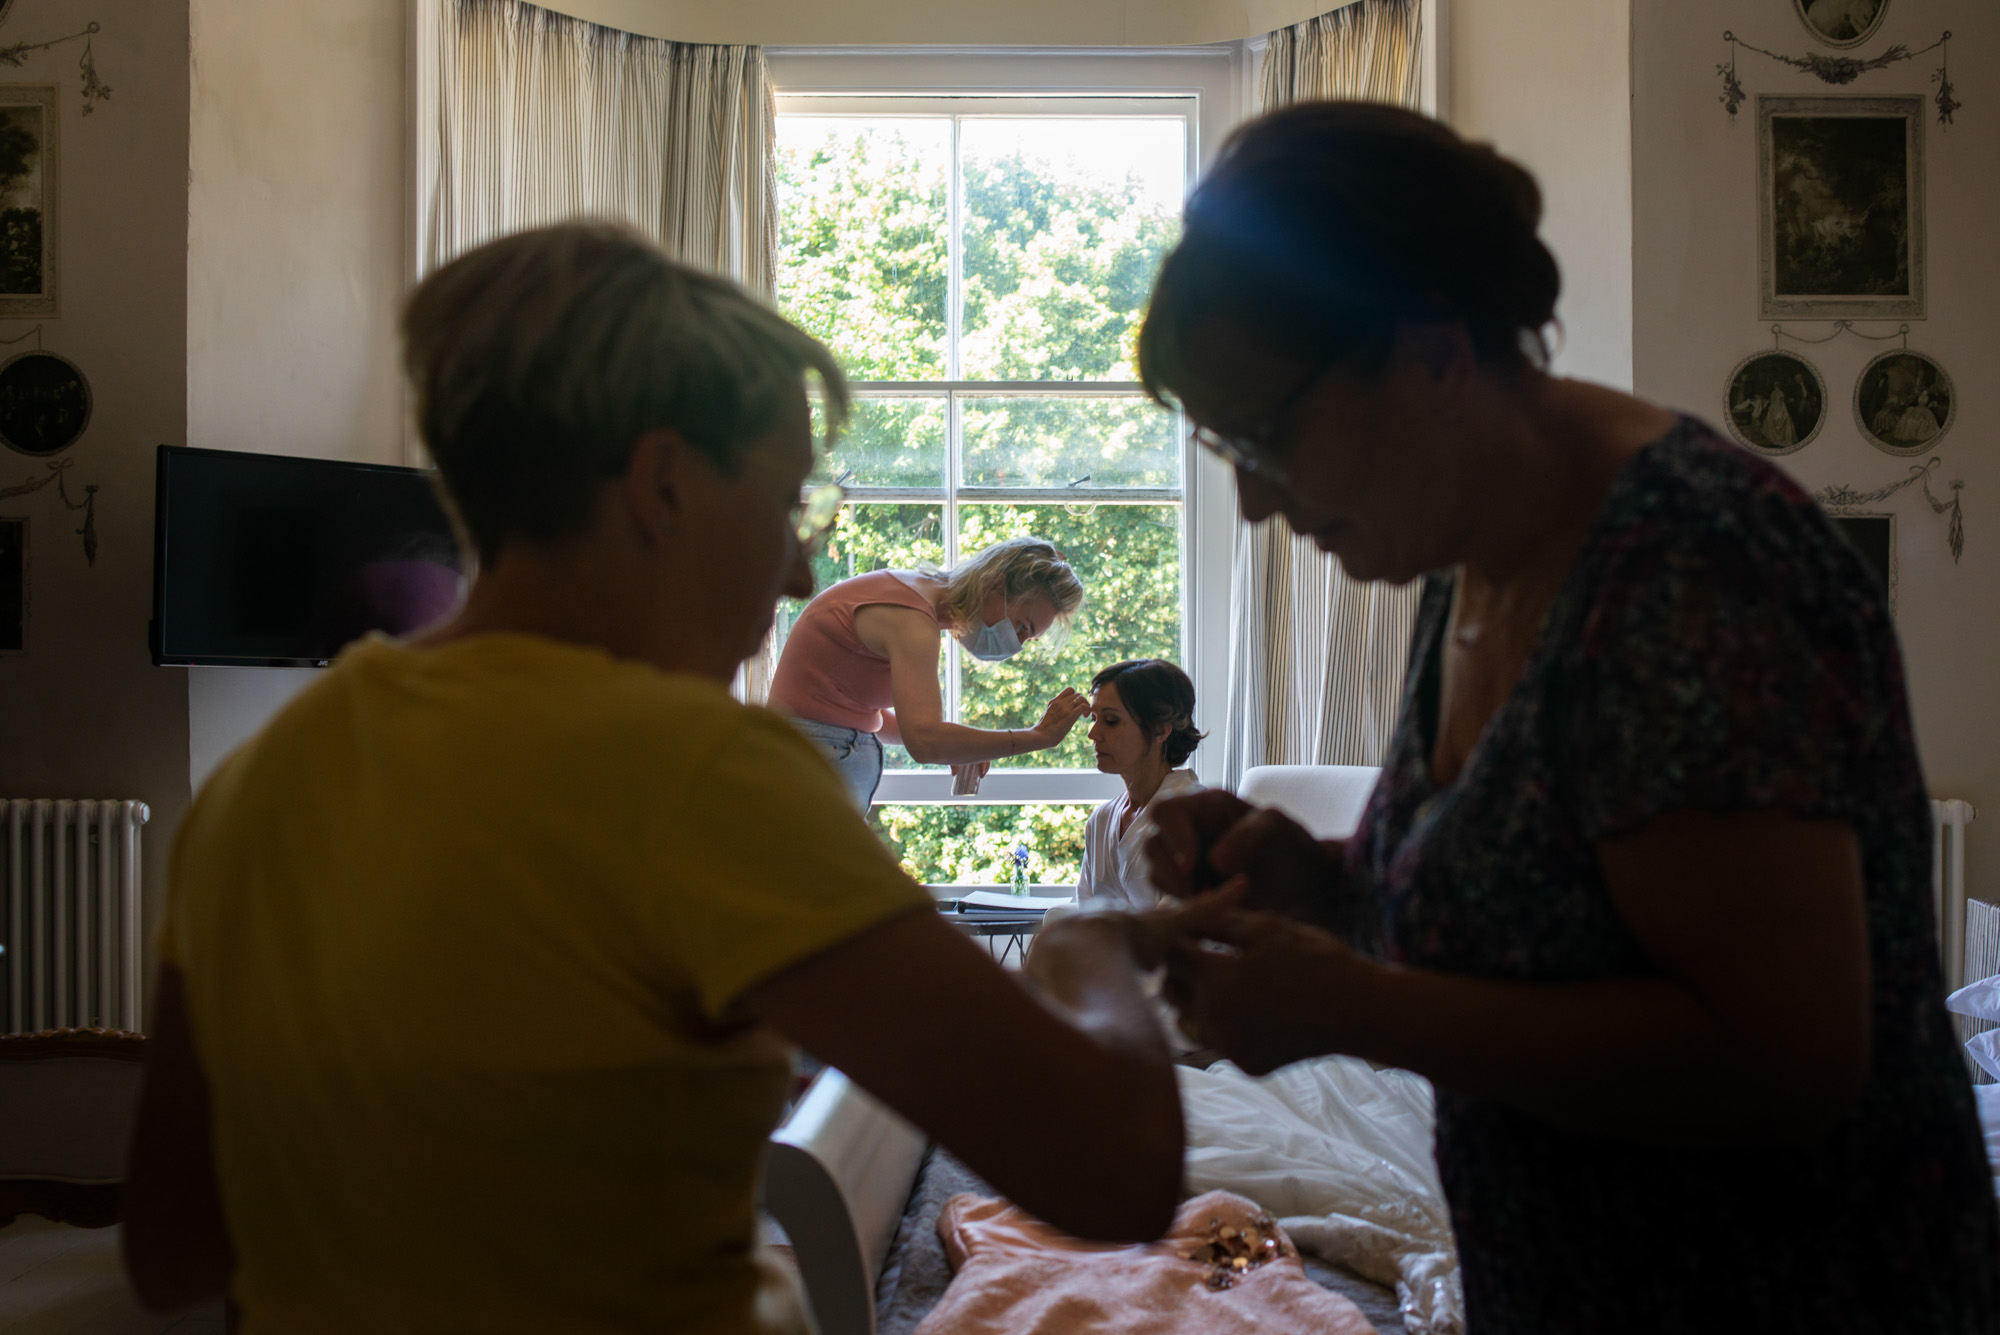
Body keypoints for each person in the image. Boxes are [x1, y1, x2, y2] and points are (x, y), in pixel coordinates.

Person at [120, 222, 1183, 1332]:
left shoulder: (259, 780)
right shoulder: (709, 776)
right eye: (785, 506)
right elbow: (1113, 1169)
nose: (799, 566)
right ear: (662, 482)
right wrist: (1088, 948)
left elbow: (173, 1246)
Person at [1133, 102, 2000, 1332]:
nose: (1252, 499)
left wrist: (1348, 1008)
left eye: (1266, 433)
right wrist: (1320, 888)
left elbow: (1783, 1066)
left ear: (1431, 355)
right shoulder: (1466, 559)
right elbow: (1540, 922)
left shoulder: (1688, 568)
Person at [767, 538, 1093, 810]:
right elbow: (923, 740)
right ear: (997, 583)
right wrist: (1037, 737)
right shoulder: (913, 620)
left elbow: (869, 716)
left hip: (814, 755)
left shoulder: (915, 598)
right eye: (1022, 627)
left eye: (1028, 638)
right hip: (810, 760)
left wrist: (962, 745)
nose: (1017, 644)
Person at [1076, 659, 1206, 911]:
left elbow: (1179, 931)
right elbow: (1085, 915)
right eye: (1093, 718)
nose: (1093, 733)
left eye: (1111, 721)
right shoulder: (1101, 820)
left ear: (1160, 731)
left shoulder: (1194, 819)